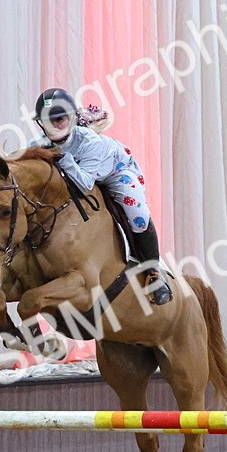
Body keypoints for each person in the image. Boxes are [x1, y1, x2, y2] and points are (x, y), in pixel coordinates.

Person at [30, 87, 172, 305]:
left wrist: (64, 158)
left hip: (117, 171)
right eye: (47, 121)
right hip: (82, 174)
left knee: (138, 214)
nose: (53, 126)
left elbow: (86, 183)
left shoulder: (90, 142)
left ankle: (154, 273)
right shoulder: (37, 145)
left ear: (72, 118)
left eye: (59, 119)